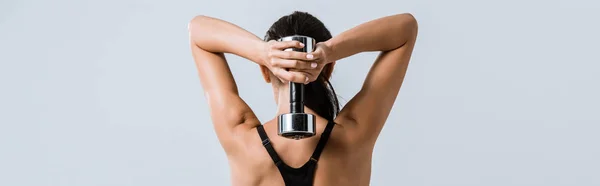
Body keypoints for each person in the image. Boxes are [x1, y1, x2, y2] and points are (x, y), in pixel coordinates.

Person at [188, 11, 418, 186]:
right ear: (328, 70)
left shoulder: (241, 138)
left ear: (265, 71)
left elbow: (198, 30)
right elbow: (406, 28)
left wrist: (263, 52)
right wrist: (328, 52)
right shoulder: (353, 135)